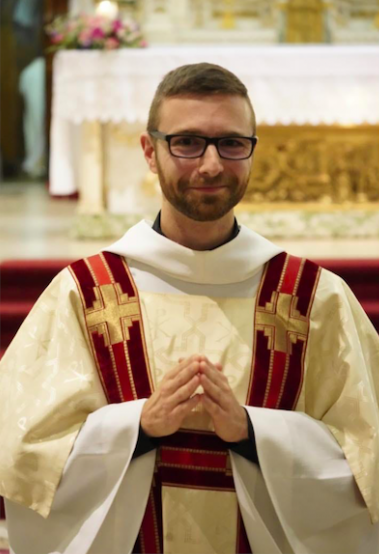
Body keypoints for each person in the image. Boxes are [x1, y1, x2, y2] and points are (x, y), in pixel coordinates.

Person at [1, 63, 378, 554]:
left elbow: (366, 457)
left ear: (253, 150)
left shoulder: (314, 298)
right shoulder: (87, 293)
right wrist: (138, 426)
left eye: (231, 143)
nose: (211, 165)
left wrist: (251, 433)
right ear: (149, 152)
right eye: (186, 142)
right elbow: (24, 450)